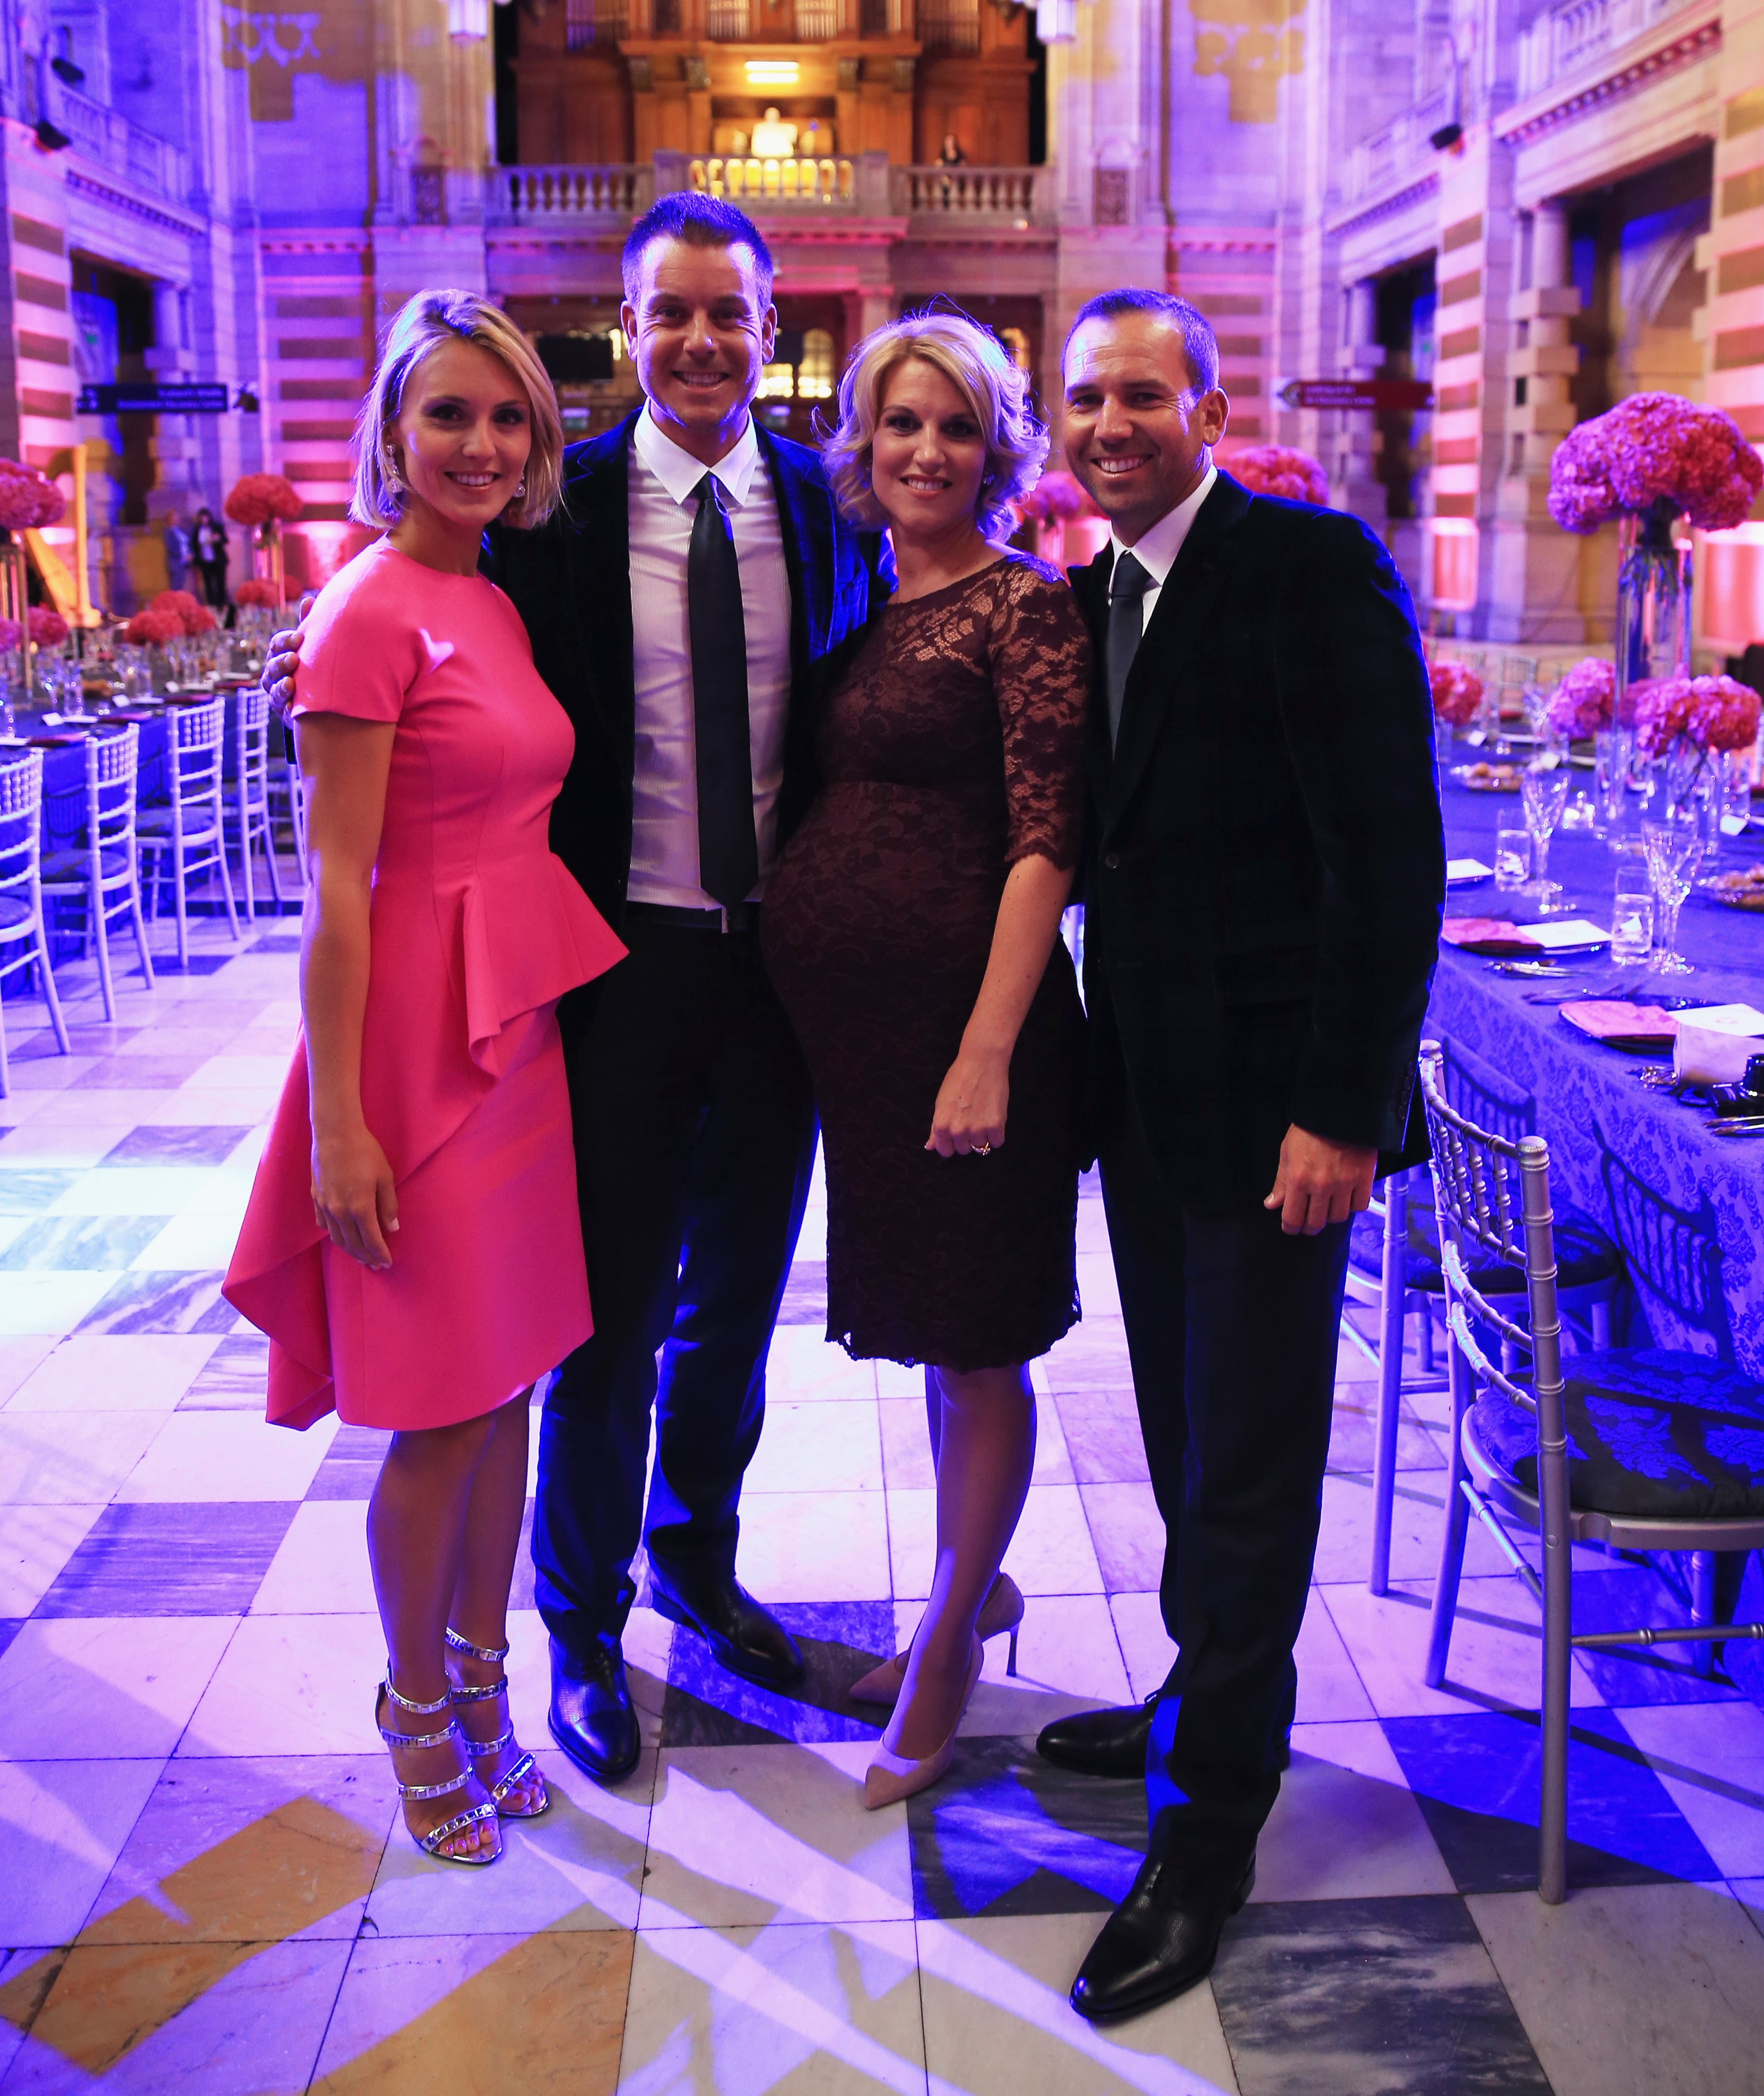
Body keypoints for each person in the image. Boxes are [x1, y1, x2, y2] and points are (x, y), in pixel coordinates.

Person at [263, 192, 881, 1787]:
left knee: (735, 1306)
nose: (698, 341)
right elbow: (412, 643)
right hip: (610, 968)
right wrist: (327, 674)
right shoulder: (553, 513)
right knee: (594, 1320)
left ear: (772, 326)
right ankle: (582, 1622)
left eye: (729, 312)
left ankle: (697, 1561)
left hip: (782, 981)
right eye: (667, 312)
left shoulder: (827, 508)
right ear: (627, 323)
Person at [1041, 289, 1443, 2022]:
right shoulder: (1086, 596)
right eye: (1085, 397)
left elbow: (1387, 853)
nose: (1110, 420)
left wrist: (1345, 1107)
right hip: (1149, 1101)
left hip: (1284, 1113)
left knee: (1253, 1460)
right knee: (1188, 1429)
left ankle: (1207, 1836)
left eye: (1143, 391)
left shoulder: (1308, 565)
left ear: (1207, 405)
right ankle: (1199, 1698)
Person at [226, 291, 625, 1868]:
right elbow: (337, 886)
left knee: (511, 1376)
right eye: (449, 413)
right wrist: (340, 1121)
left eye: (507, 417)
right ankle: (411, 1709)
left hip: (513, 1026)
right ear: (391, 427)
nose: (479, 442)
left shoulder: (496, 600)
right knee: (442, 1409)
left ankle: (482, 1680)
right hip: (407, 1042)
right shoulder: (367, 609)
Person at [763, 312, 1090, 1807]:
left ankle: (950, 1644)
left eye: (955, 426)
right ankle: (969, 1587)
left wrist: (987, 1049)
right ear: (864, 445)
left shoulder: (1024, 611)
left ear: (996, 449)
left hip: (971, 1043)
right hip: (866, 1050)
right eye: (901, 423)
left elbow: (1044, 848)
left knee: (981, 1342)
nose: (925, 451)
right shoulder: (873, 604)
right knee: (940, 1345)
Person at [191, 506, 228, 610]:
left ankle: (222, 608)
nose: (204, 520)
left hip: (218, 561)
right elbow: (194, 545)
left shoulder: (216, 527)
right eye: (201, 518)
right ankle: (212, 609)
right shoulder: (197, 530)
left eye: (205, 517)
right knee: (209, 587)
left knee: (220, 585)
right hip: (205, 562)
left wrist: (218, 539)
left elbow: (225, 540)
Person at [161, 509, 193, 592]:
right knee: (176, 587)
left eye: (177, 517)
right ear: (169, 519)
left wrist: (190, 554)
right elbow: (171, 548)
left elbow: (187, 544)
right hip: (175, 563)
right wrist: (184, 556)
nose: (177, 519)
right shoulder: (168, 532)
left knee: (181, 586)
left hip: (182, 562)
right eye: (175, 517)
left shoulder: (179, 531)